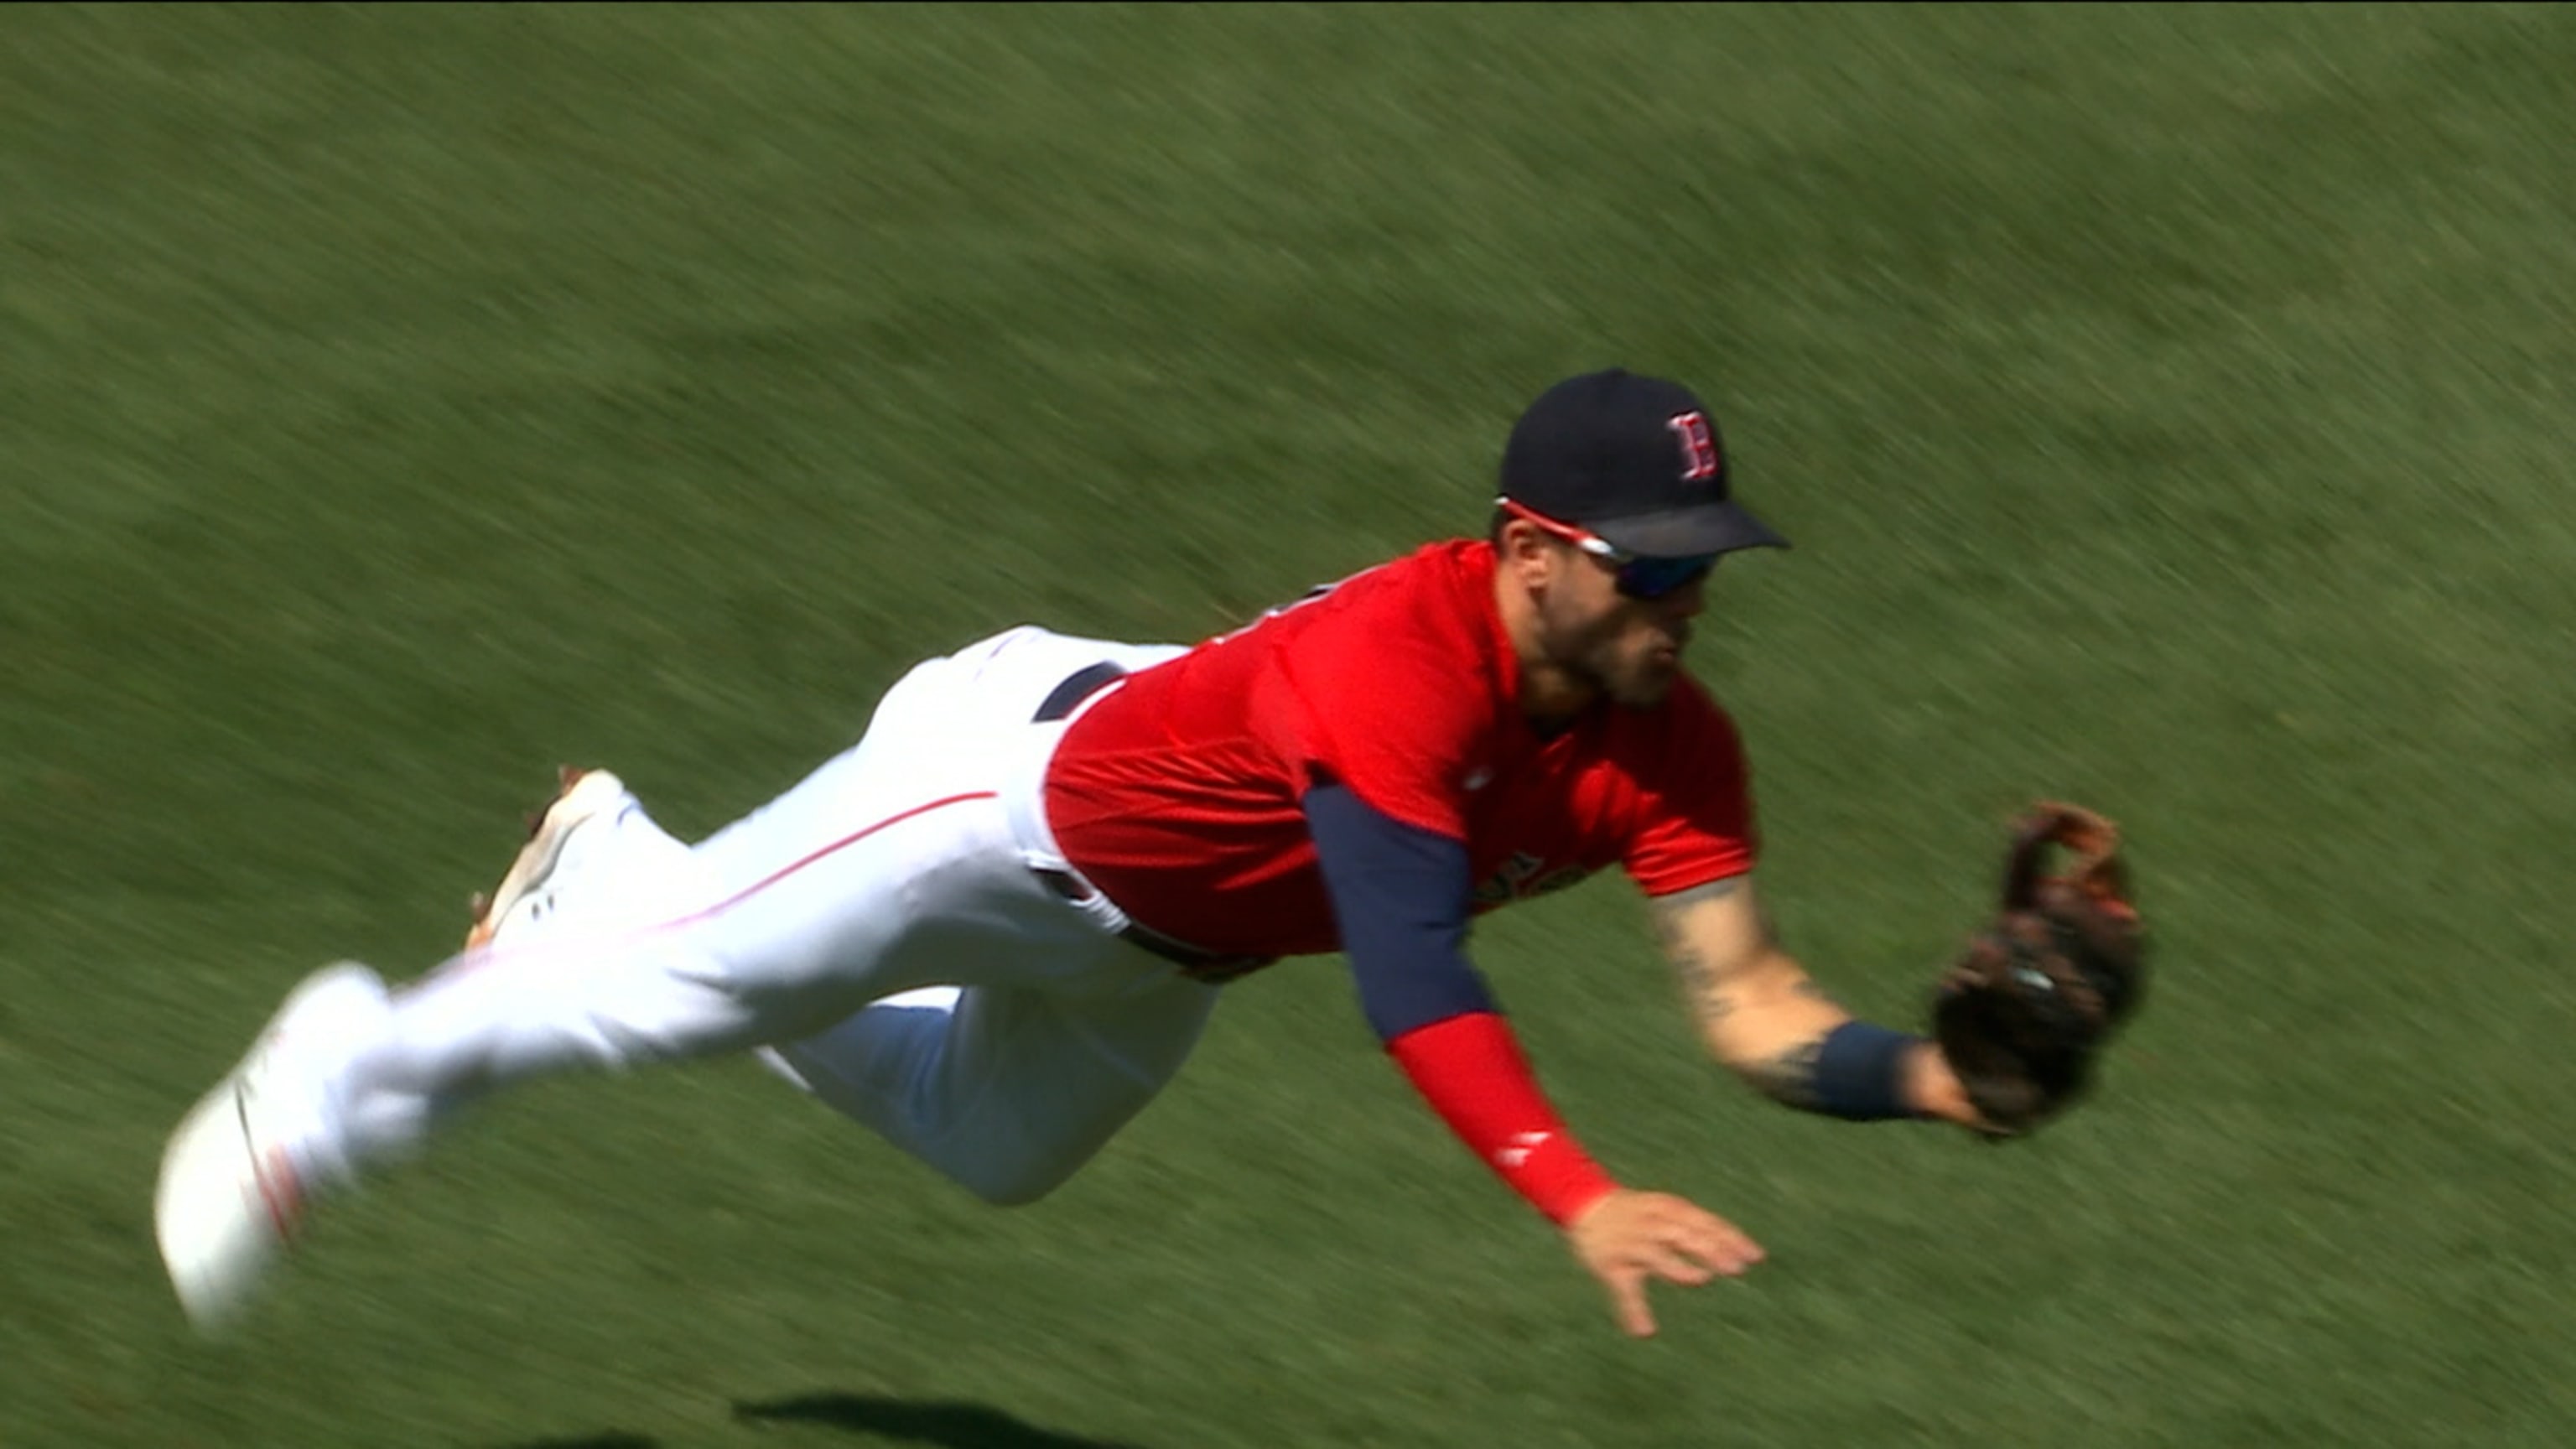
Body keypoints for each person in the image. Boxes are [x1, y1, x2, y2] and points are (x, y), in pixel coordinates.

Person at [154, 368, 1992, 1342]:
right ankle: (320, 1086)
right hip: (993, 812)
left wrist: (1941, 1081)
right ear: (1532, 550)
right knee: (668, 1000)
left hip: (1158, 947)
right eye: (1650, 561)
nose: (1686, 594)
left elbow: (1748, 999)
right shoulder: (1401, 669)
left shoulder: (1677, 751)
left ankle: (617, 870)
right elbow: (1414, 971)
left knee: (990, 1143)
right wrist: (1573, 1192)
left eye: (1702, 560)